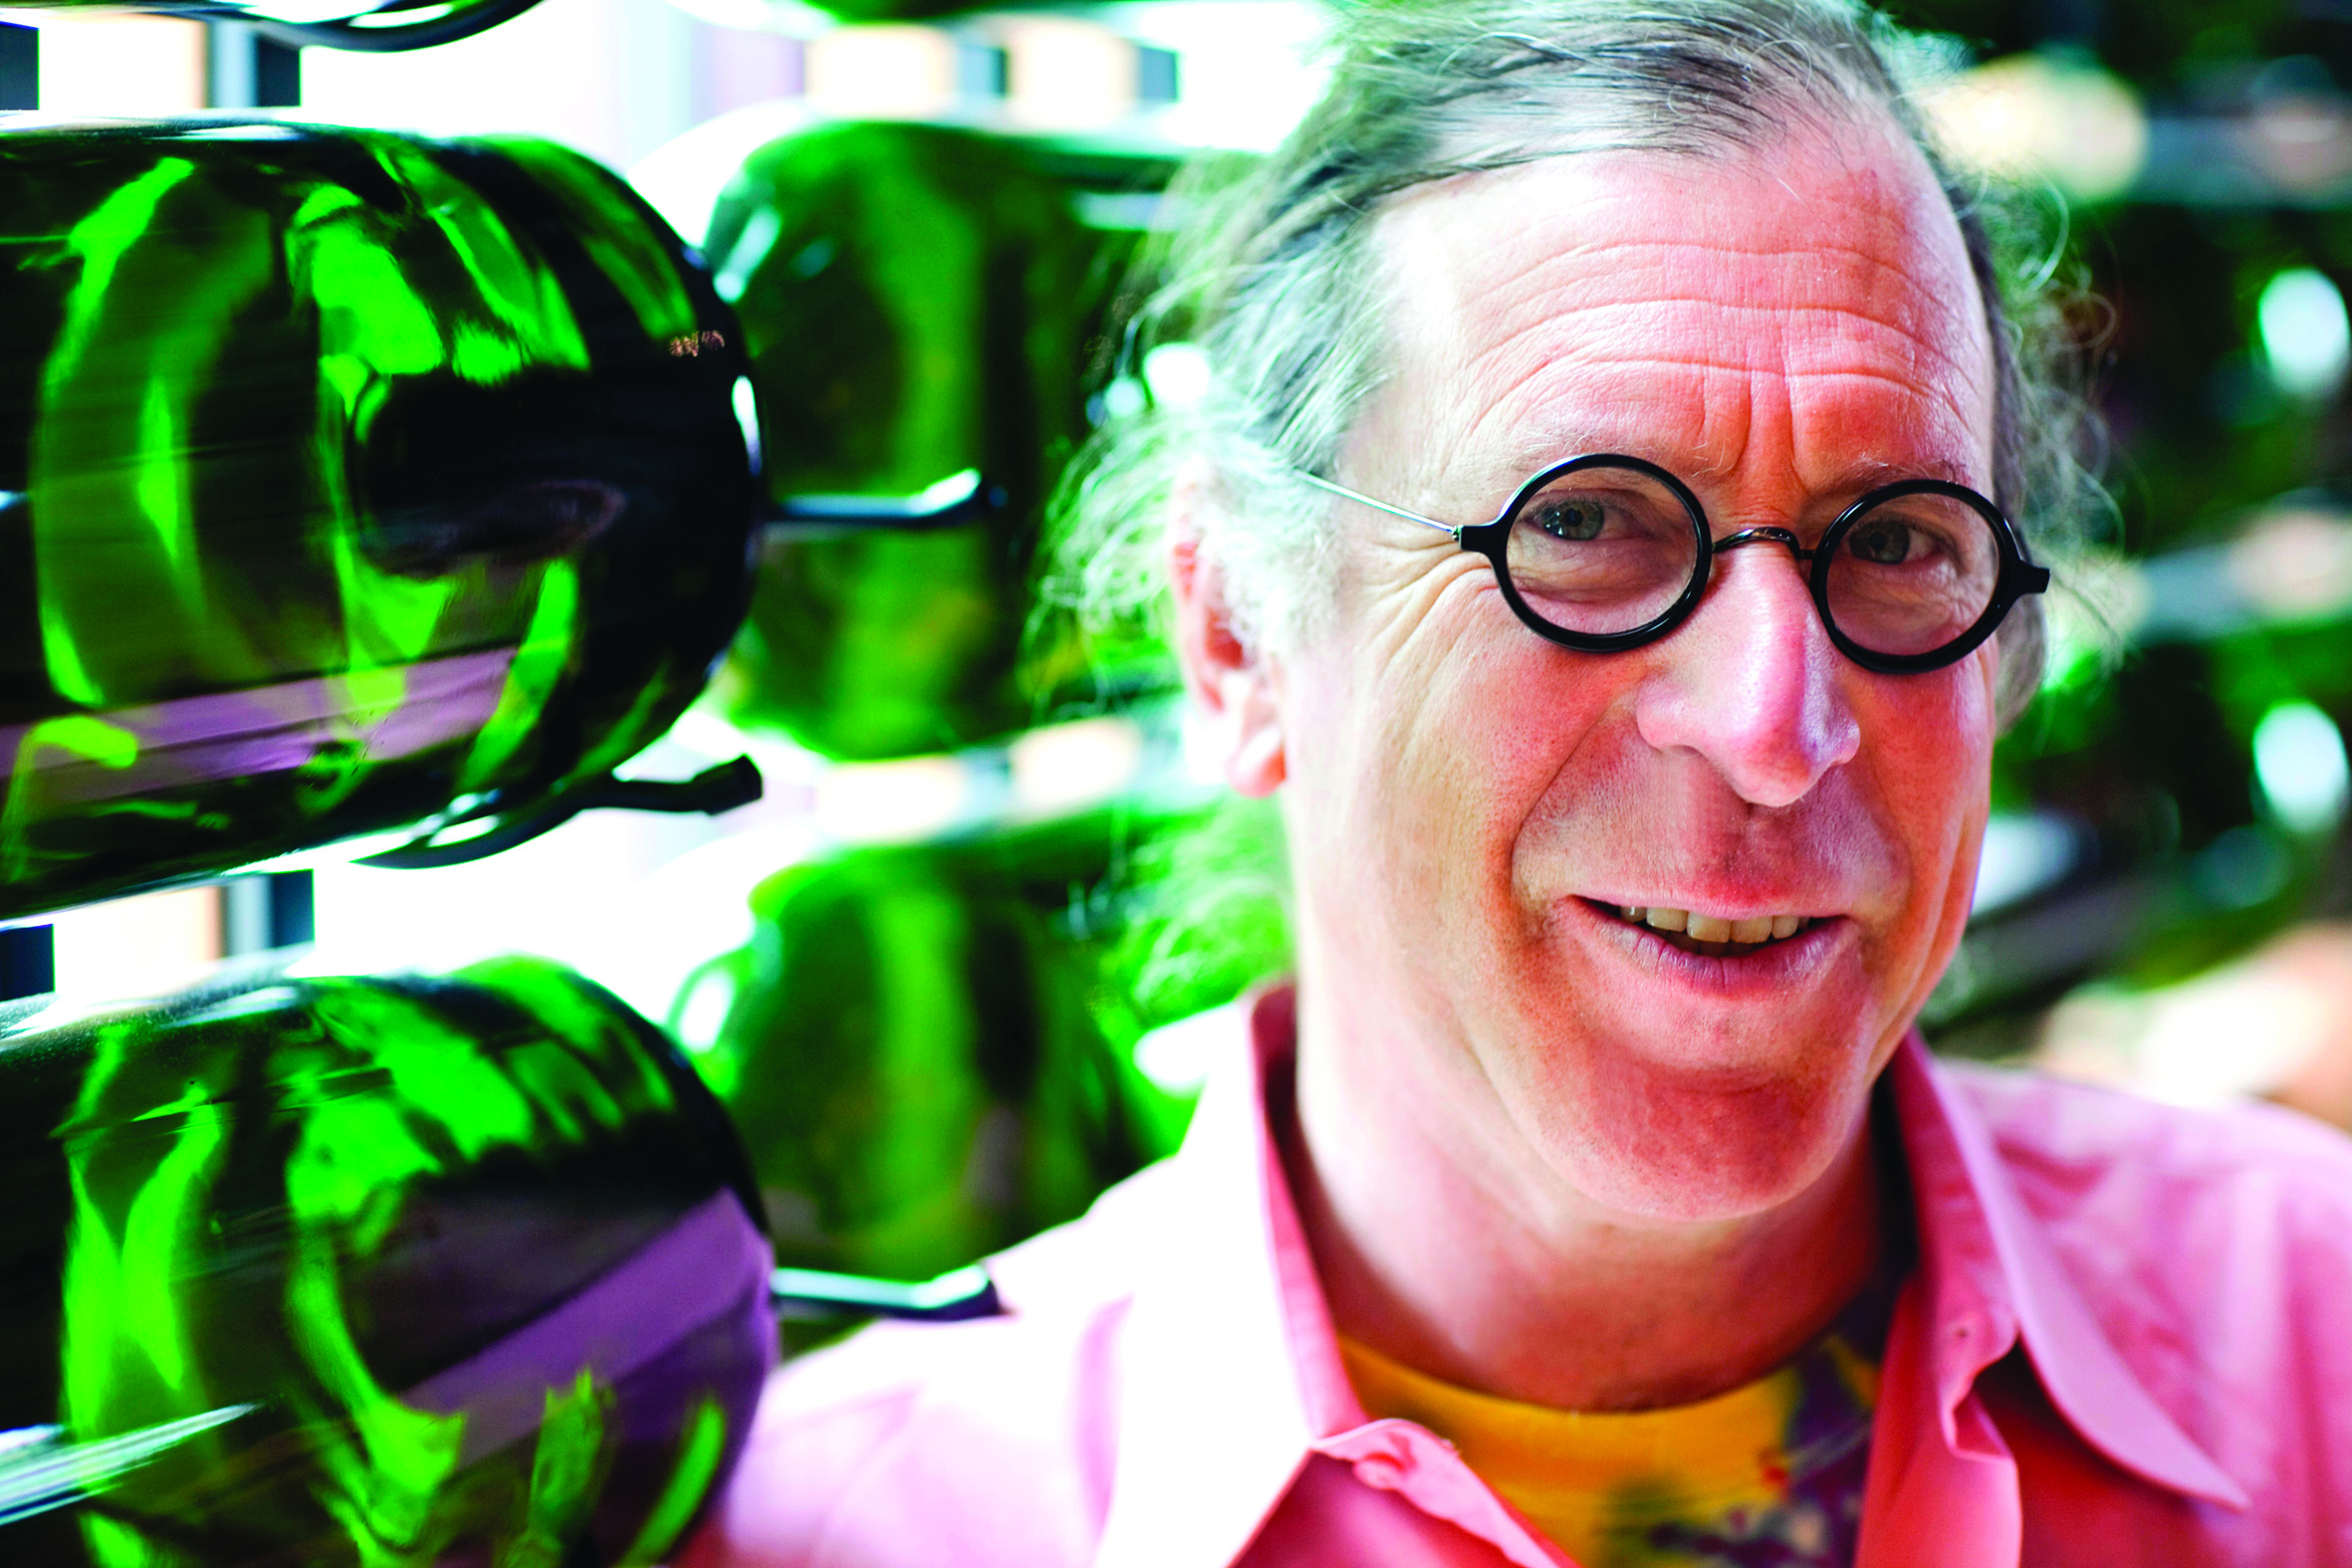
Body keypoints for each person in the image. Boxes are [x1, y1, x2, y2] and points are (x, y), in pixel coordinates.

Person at [682, 2, 2352, 1563]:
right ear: (1234, 636)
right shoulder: (848, 1524)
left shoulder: (2308, 1333)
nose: (1774, 726)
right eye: (1583, 523)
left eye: (1898, 541)